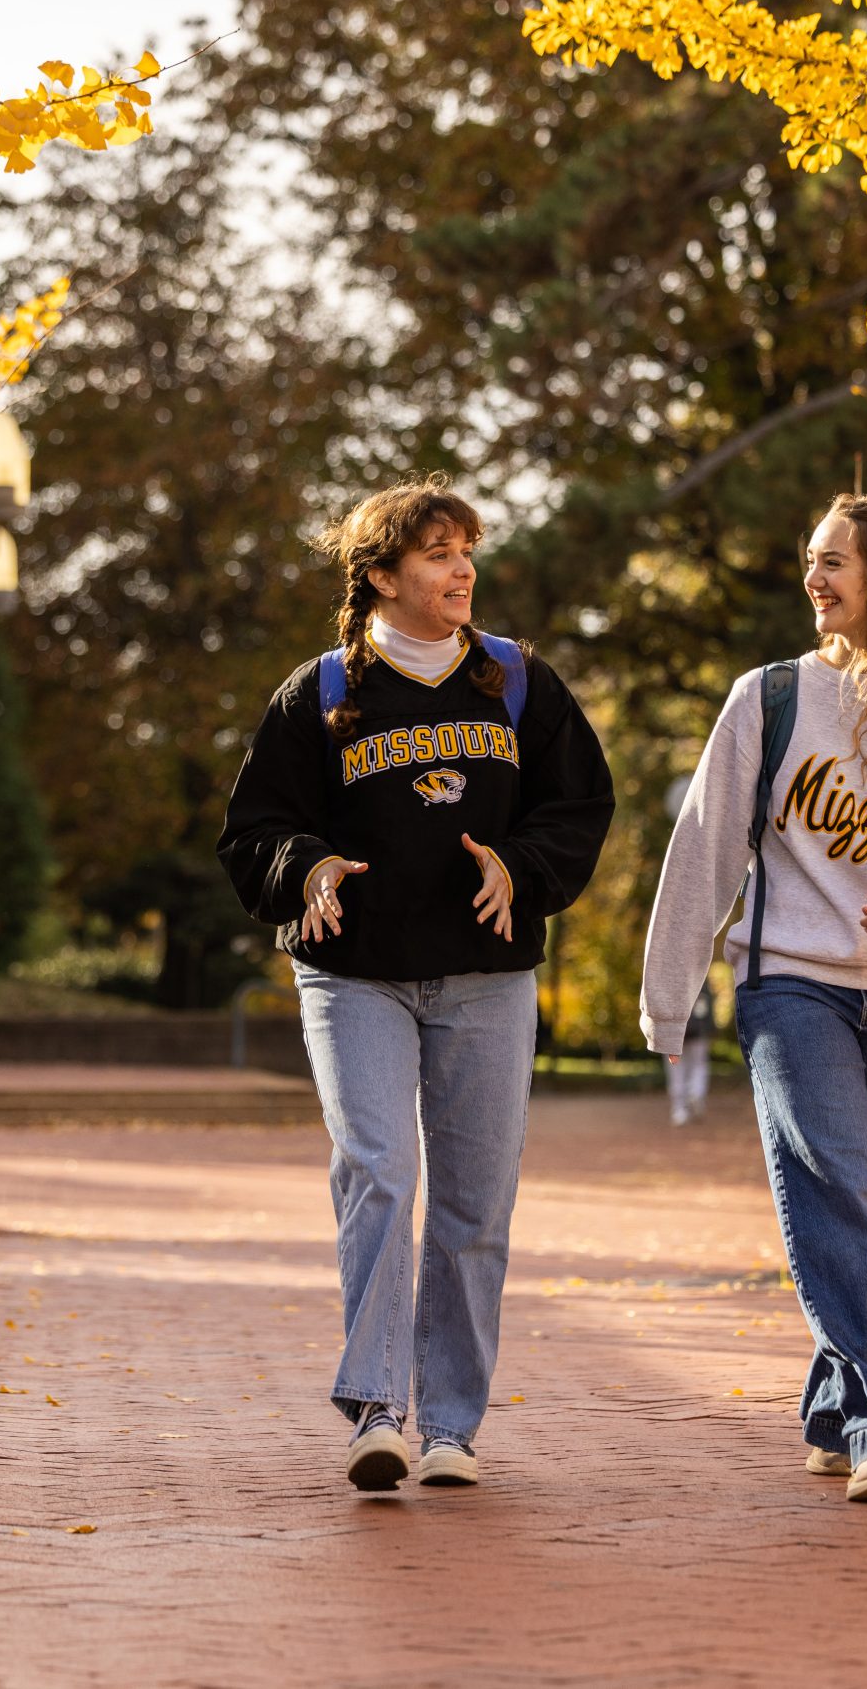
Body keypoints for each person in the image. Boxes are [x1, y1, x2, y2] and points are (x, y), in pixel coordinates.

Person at [218, 477, 614, 1493]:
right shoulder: (318, 695)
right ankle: (376, 1412)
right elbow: (254, 828)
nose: (461, 569)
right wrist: (304, 867)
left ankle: (449, 1425)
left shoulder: (518, 683)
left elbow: (579, 806)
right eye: (437, 553)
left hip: (486, 979)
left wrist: (517, 868)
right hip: (354, 978)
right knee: (381, 1170)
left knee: (474, 1205)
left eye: (467, 550)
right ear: (382, 575)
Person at [639, 493, 867, 1505]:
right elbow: (707, 843)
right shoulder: (769, 698)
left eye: (834, 562)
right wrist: (667, 997)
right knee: (838, 1184)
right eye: (810, 560)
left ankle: (831, 1409)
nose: (814, 579)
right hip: (792, 982)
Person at [669, 985, 717, 1126]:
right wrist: (709, 1027)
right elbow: (706, 1006)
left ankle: (679, 1109)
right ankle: (696, 1093)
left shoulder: (668, 973)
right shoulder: (701, 976)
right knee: (699, 1065)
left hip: (674, 1030)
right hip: (698, 1031)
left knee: (676, 1068)